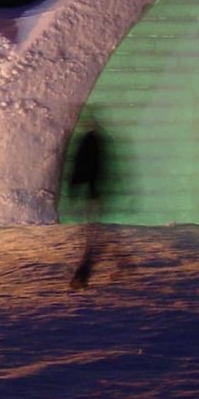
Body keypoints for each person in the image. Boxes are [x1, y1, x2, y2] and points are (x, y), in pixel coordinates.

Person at [68, 115, 124, 288]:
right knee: (94, 232)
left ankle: (82, 275)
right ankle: (123, 263)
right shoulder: (102, 140)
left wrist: (74, 188)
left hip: (91, 193)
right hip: (97, 193)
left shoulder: (88, 141)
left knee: (92, 235)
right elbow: (106, 167)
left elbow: (80, 165)